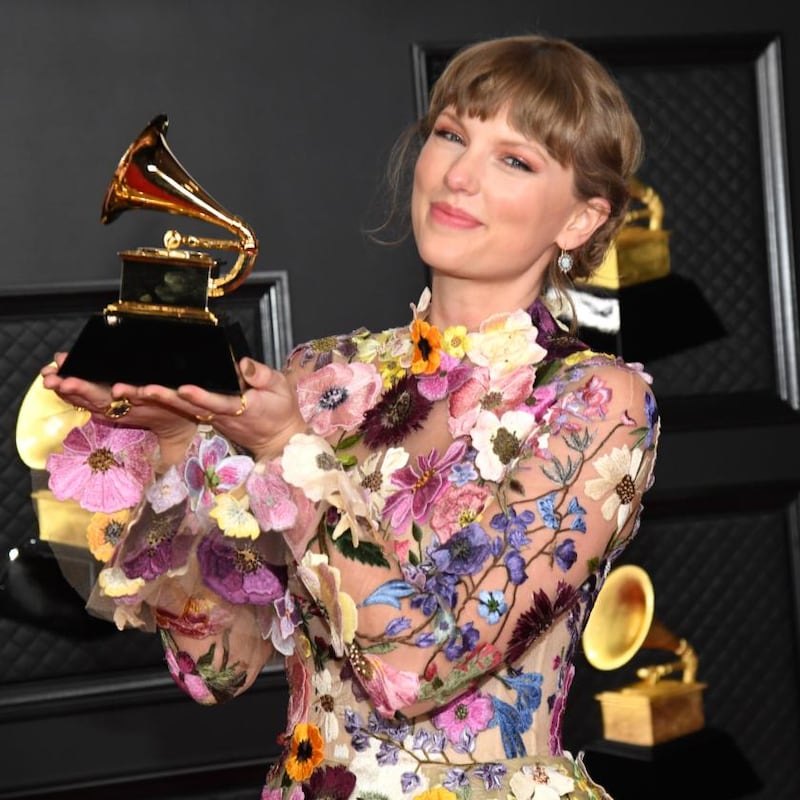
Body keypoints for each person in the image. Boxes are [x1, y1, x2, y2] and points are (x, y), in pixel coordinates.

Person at [40, 34, 659, 800]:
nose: (458, 175)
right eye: (451, 134)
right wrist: (169, 446)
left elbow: (423, 665)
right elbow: (215, 671)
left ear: (579, 221)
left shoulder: (596, 402)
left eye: (515, 159)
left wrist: (284, 450)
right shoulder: (320, 380)